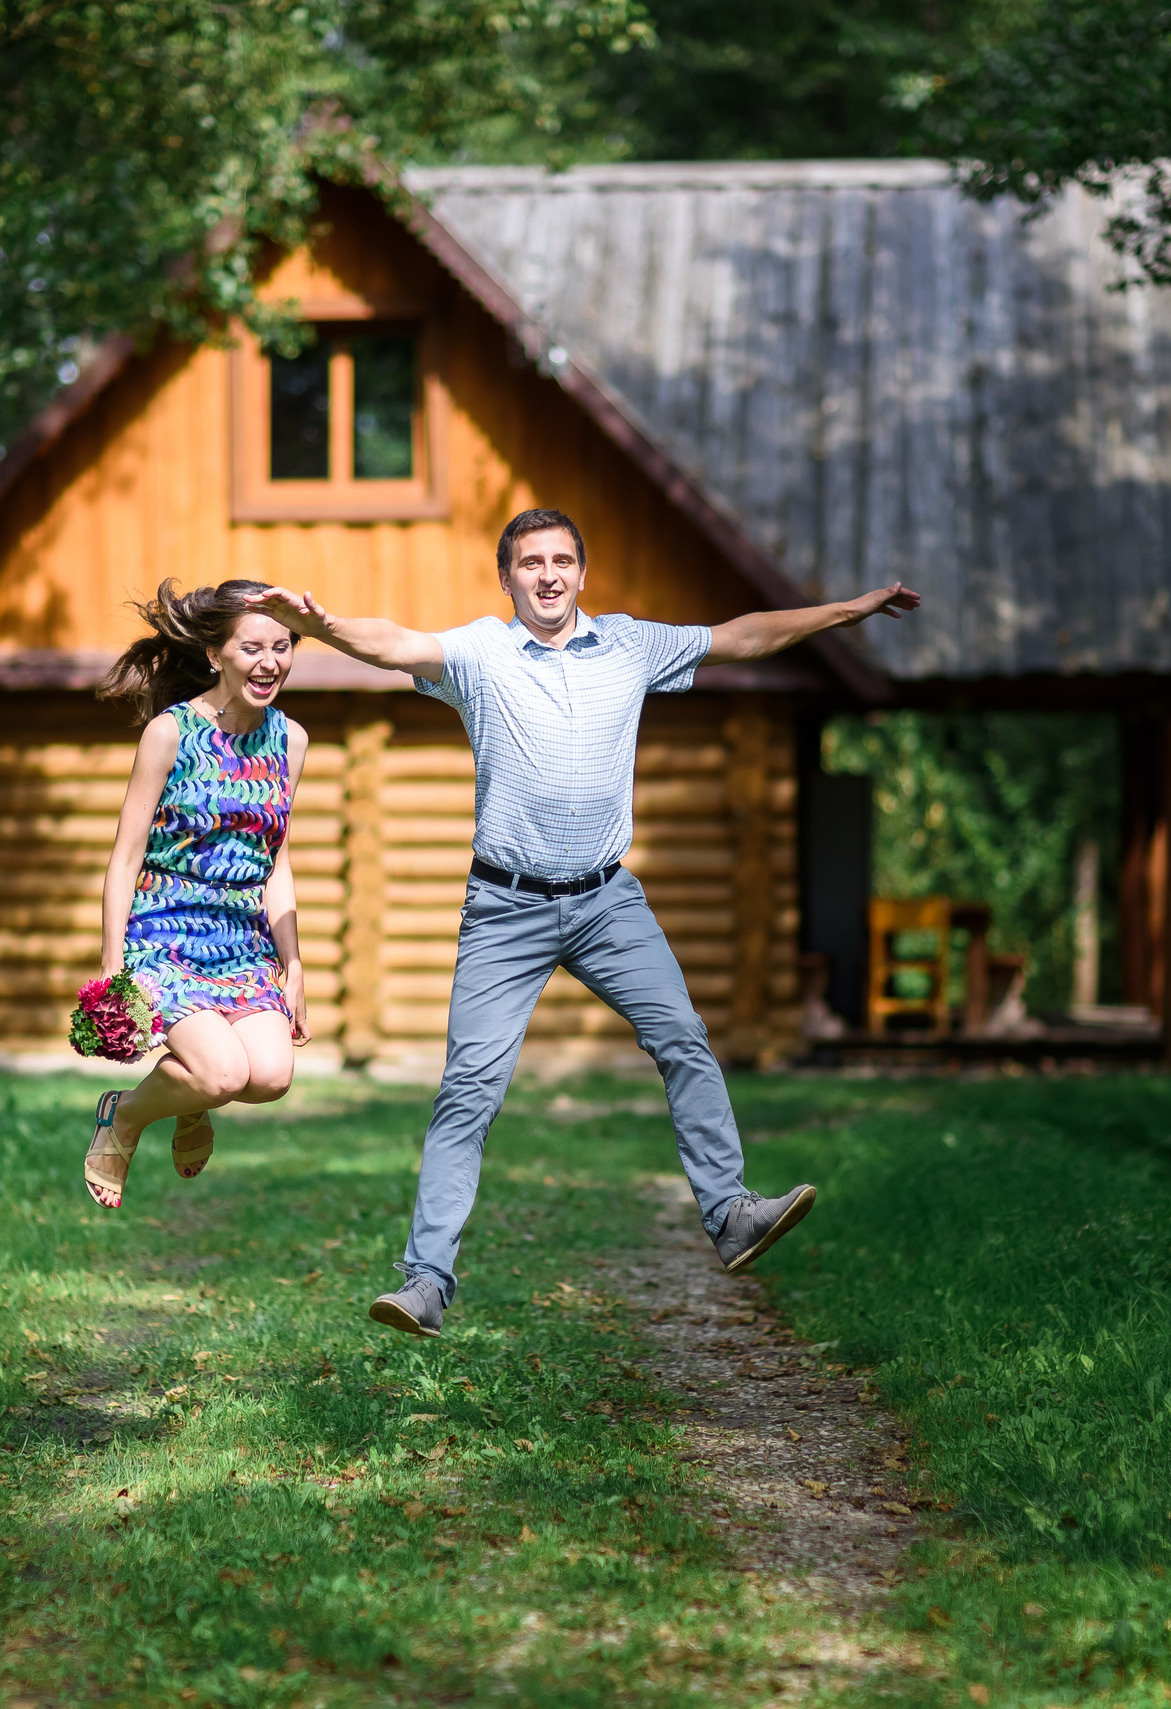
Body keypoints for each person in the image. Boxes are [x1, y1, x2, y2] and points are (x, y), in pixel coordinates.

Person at [256, 509, 919, 1337]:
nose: (547, 574)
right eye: (529, 562)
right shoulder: (480, 652)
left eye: (562, 559)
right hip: (506, 907)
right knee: (469, 1088)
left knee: (684, 1035)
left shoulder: (631, 647)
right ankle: (425, 1280)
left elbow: (742, 636)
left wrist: (845, 612)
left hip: (608, 900)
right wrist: (316, 626)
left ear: (581, 571)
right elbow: (392, 643)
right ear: (507, 578)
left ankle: (732, 1213)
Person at [82, 579, 312, 1210]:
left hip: (241, 940)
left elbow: (277, 859)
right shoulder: (170, 732)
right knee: (221, 1073)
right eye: (252, 647)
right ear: (216, 655)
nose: (270, 662)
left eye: (283, 646)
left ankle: (192, 1105)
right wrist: (112, 968)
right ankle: (125, 1117)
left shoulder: (290, 740)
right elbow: (125, 856)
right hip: (166, 930)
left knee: (269, 1078)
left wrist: (294, 966)